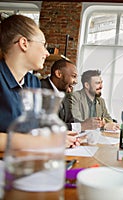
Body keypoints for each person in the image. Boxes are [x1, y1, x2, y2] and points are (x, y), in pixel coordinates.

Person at [0, 15, 76, 150]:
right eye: (43, 44)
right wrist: (44, 142)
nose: (47, 53)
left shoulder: (33, 82)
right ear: (24, 43)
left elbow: (34, 127)